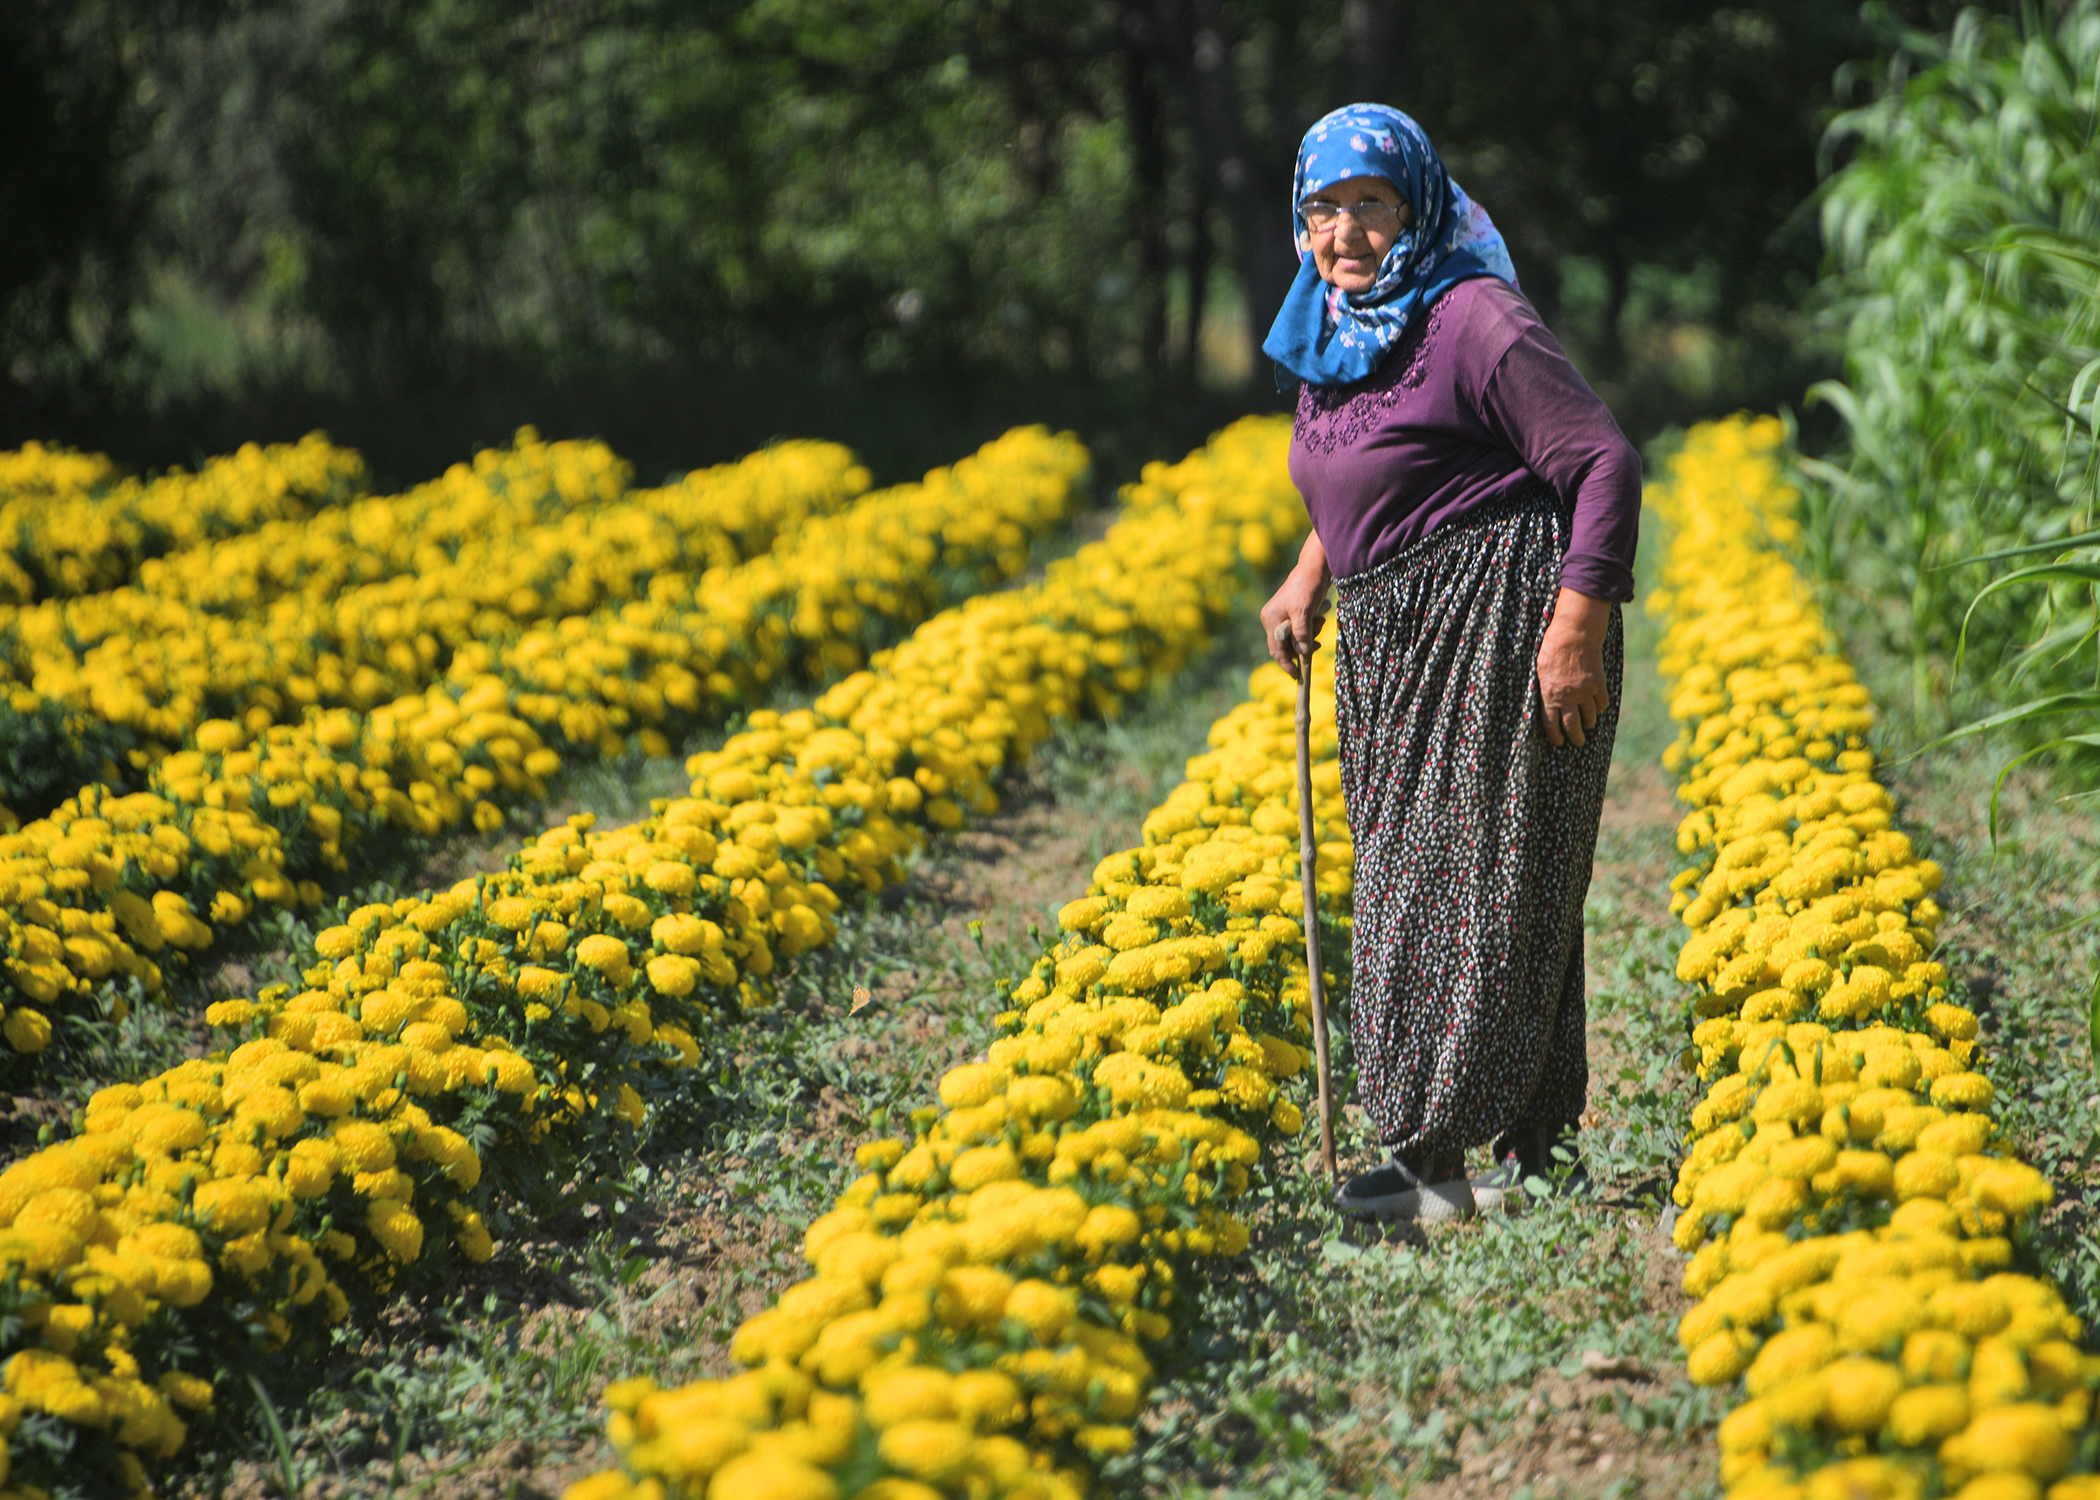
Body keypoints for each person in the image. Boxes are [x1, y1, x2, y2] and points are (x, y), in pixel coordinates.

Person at [1257, 103, 1641, 1223]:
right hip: (1394, 635)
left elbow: (1604, 464)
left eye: (1370, 205)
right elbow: (1377, 468)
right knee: (1468, 882)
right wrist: (1308, 572)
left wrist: (1574, 632)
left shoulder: (1472, 316)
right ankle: (1535, 1143)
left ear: (1417, 207)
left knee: (1459, 886)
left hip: (1504, 618)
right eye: (1323, 208)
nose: (1345, 233)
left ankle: (1431, 1167)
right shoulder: (1333, 323)